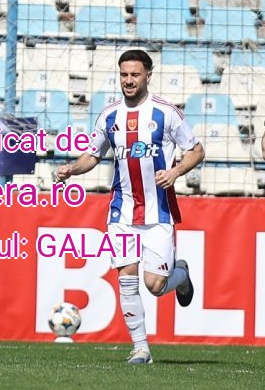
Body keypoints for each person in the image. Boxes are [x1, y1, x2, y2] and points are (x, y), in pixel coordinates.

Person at [56, 49, 205, 364]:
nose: (128, 80)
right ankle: (141, 348)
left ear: (148, 75)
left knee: (155, 285)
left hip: (158, 212)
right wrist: (72, 169)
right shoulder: (109, 116)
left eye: (135, 74)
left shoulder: (166, 113)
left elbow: (196, 150)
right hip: (121, 212)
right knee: (126, 278)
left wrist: (176, 172)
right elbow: (93, 155)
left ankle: (181, 275)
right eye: (124, 74)